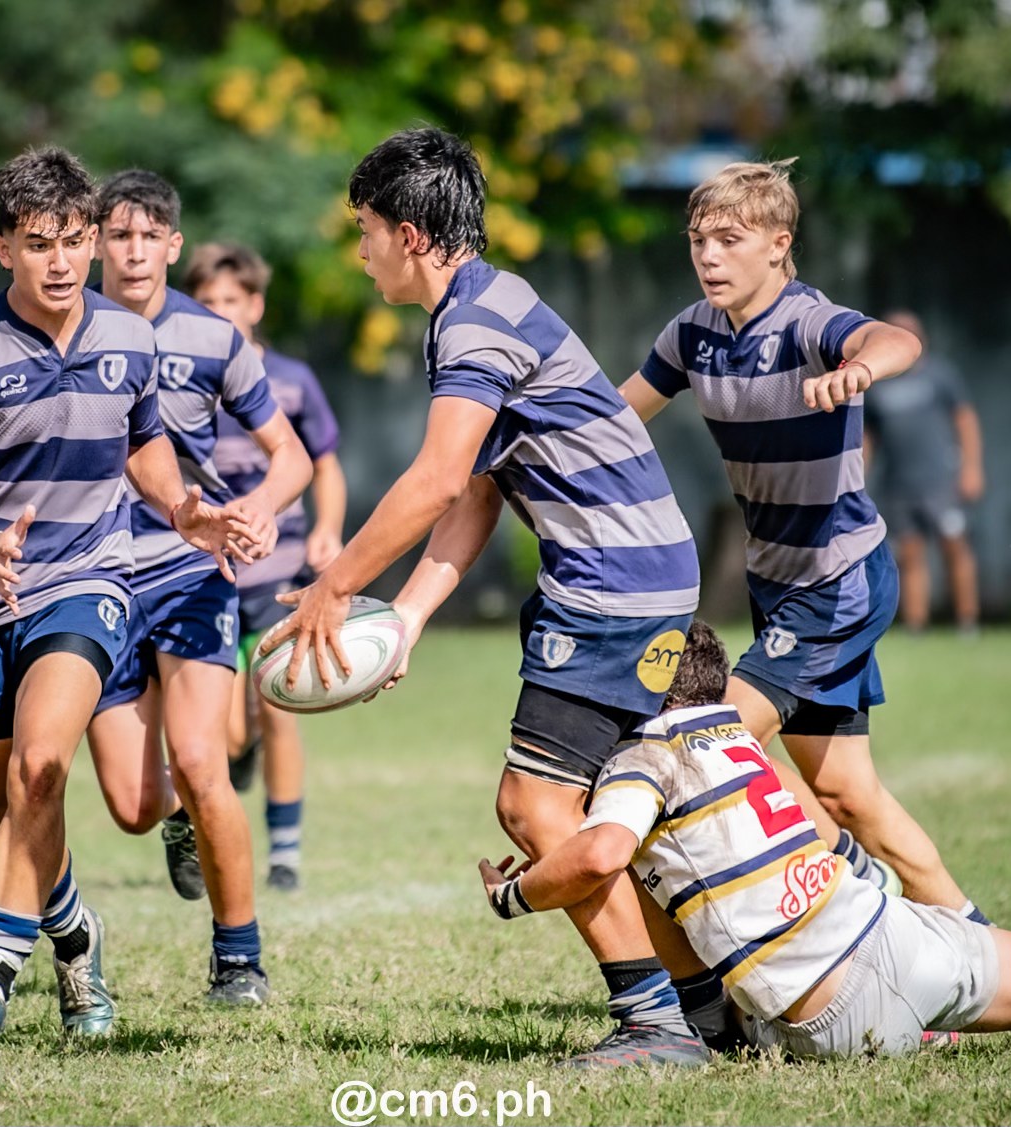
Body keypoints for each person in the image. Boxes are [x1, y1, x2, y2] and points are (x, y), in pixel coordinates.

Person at [263, 127, 709, 1068]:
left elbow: (432, 480)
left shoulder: (471, 323)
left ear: (412, 235)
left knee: (533, 803)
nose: (361, 250)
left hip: (610, 588)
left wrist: (334, 588)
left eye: (367, 229)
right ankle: (701, 1004)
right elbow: (477, 490)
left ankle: (657, 1024)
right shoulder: (486, 303)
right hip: (643, 576)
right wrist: (411, 615)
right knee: (617, 803)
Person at [0, 147, 255, 1042]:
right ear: (3, 249)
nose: (63, 261)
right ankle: (75, 935)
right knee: (16, 813)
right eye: (39, 244)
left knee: (41, 768)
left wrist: (186, 509)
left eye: (74, 240)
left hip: (85, 578)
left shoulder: (127, 336)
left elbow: (144, 444)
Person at [478, 620, 1011, 1058]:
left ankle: (694, 1022)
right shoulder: (738, 734)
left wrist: (511, 896)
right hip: (897, 934)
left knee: (618, 852)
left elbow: (599, 854)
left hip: (829, 1013)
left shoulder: (642, 760)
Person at [618, 159, 985, 919]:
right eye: (698, 240)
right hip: (777, 582)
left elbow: (894, 343)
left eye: (729, 238)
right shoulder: (693, 333)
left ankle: (860, 887)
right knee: (847, 789)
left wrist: (857, 371)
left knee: (707, 737)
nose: (709, 256)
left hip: (837, 578)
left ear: (779, 244)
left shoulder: (808, 321)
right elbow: (618, 418)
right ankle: (968, 937)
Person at [84, 171, 312, 1005]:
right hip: (92, 575)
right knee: (135, 804)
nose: (135, 250)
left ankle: (239, 959)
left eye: (151, 236)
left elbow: (290, 455)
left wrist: (256, 503)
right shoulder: (67, 330)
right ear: (95, 241)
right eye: (119, 234)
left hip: (189, 573)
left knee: (201, 756)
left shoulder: (213, 338)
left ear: (174, 246)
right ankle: (175, 820)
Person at [182, 241, 348, 893]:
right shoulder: (180, 379)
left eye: (230, 300)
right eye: (206, 303)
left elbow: (325, 464)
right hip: (211, 576)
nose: (220, 312)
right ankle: (239, 753)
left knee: (279, 705)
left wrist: (329, 530)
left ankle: (284, 852)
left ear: (253, 305)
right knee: (222, 732)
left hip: (280, 576)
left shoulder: (291, 381)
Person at [865, 310, 984, 633]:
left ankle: (967, 622)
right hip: (899, 483)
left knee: (954, 545)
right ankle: (916, 625)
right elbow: (868, 437)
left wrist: (971, 468)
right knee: (910, 552)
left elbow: (965, 420)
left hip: (940, 481)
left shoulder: (939, 374)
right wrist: (856, 478)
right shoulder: (877, 382)